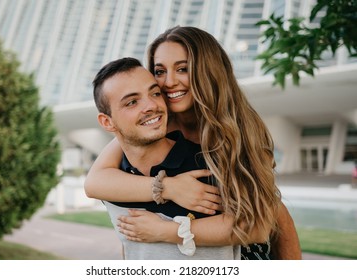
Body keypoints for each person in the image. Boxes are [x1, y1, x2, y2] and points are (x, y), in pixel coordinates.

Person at [85, 26, 301, 260]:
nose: (169, 82)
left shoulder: (238, 132)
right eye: (160, 71)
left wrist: (167, 231)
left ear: (208, 71)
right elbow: (95, 182)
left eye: (182, 69)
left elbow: (265, 220)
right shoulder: (155, 124)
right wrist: (168, 187)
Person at [92, 57, 244, 259]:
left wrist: (169, 230)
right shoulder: (113, 178)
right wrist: (167, 187)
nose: (151, 105)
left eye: (155, 93)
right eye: (132, 102)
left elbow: (255, 226)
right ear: (107, 122)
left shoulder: (212, 162)